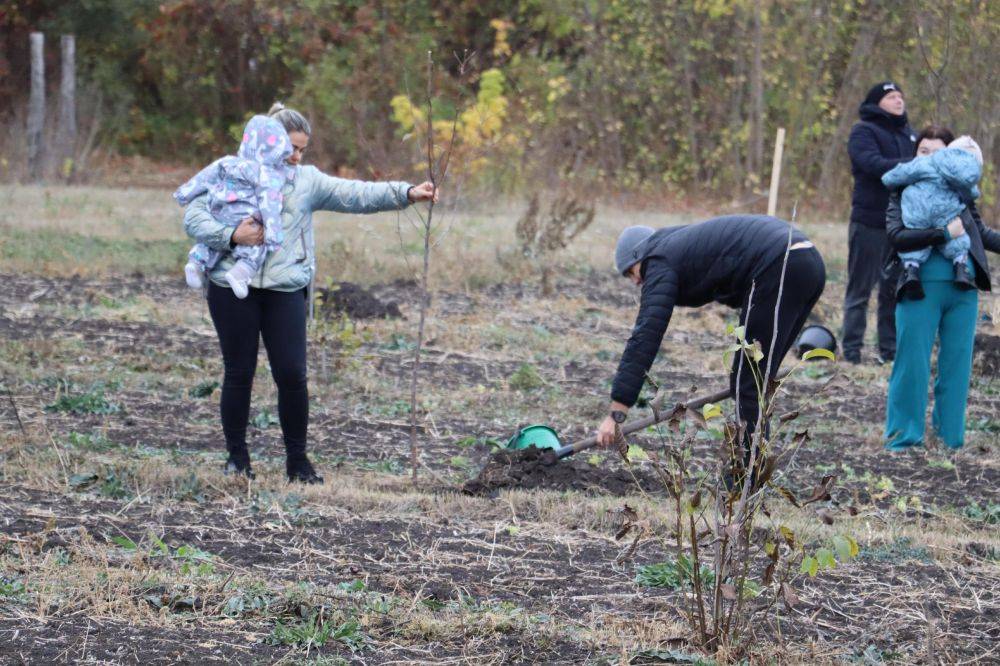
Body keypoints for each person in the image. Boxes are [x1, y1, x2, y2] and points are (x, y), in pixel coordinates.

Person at [183, 102, 437, 483]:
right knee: (239, 372)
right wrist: (232, 236)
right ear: (271, 142)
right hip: (231, 287)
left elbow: (356, 194)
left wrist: (406, 193)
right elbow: (193, 216)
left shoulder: (307, 182)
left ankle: (298, 463)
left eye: (303, 149)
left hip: (286, 288)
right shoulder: (233, 172)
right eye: (292, 148)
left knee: (292, 374)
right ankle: (238, 459)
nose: (297, 157)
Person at [595, 216, 826, 469]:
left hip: (780, 264)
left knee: (747, 383)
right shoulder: (678, 246)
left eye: (631, 271)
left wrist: (617, 413)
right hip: (809, 262)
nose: (636, 282)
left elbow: (645, 337)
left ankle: (744, 480)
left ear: (642, 254)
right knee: (756, 379)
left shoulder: (659, 261)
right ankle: (753, 472)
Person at [884, 125, 1000, 451]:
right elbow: (896, 236)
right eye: (924, 151)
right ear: (915, 155)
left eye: (939, 152)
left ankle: (951, 439)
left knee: (958, 365)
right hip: (919, 286)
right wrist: (942, 234)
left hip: (963, 288)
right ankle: (903, 438)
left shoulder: (961, 189)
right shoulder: (902, 188)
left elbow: (980, 233)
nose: (932, 158)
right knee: (912, 363)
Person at [175, 115, 295, 298]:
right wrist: (273, 236)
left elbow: (205, 177)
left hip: (219, 210)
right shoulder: (266, 175)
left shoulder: (229, 161)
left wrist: (184, 193)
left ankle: (196, 263)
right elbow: (269, 205)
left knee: (213, 241)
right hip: (245, 216)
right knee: (257, 242)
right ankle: (240, 273)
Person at [842, 81, 917, 364]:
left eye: (901, 95)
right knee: (860, 289)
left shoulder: (910, 135)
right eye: (891, 96)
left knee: (892, 290)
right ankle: (851, 351)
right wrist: (914, 167)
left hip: (901, 224)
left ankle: (889, 350)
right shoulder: (863, 131)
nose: (899, 100)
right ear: (877, 103)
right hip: (869, 221)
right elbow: (872, 164)